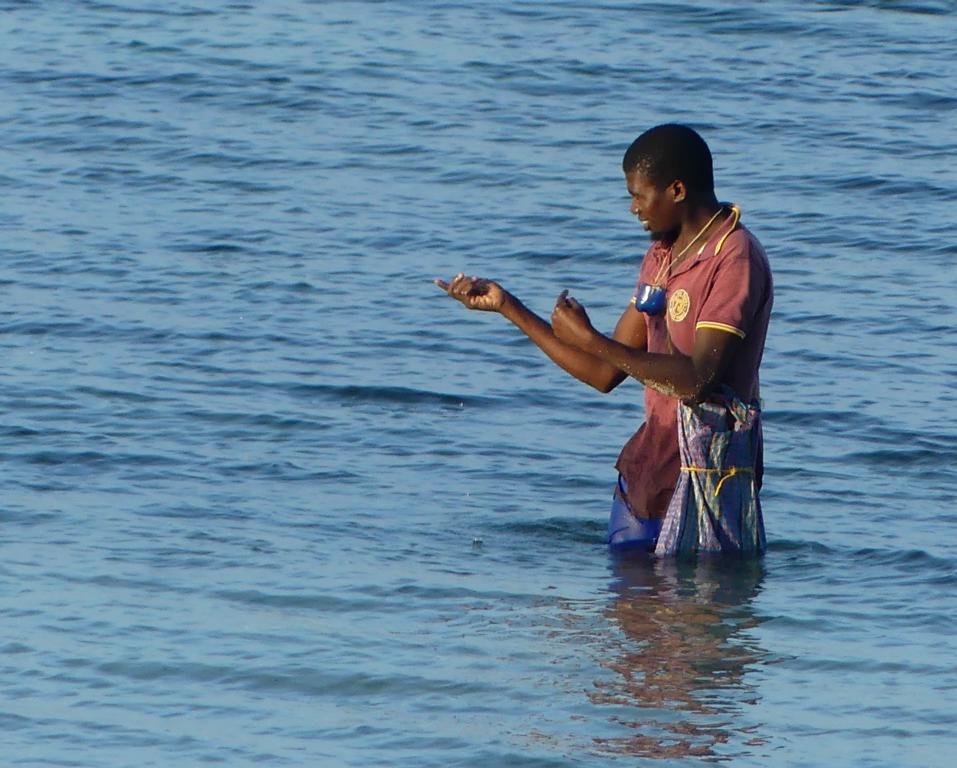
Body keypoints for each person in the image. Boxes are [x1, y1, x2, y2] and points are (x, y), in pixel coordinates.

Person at [435, 124, 772, 554]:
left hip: (706, 484)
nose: (633, 208)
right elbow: (605, 372)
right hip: (646, 477)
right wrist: (507, 306)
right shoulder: (663, 256)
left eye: (639, 195)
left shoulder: (734, 258)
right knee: (628, 617)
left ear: (677, 190)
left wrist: (592, 339)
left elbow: (696, 379)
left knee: (695, 617)